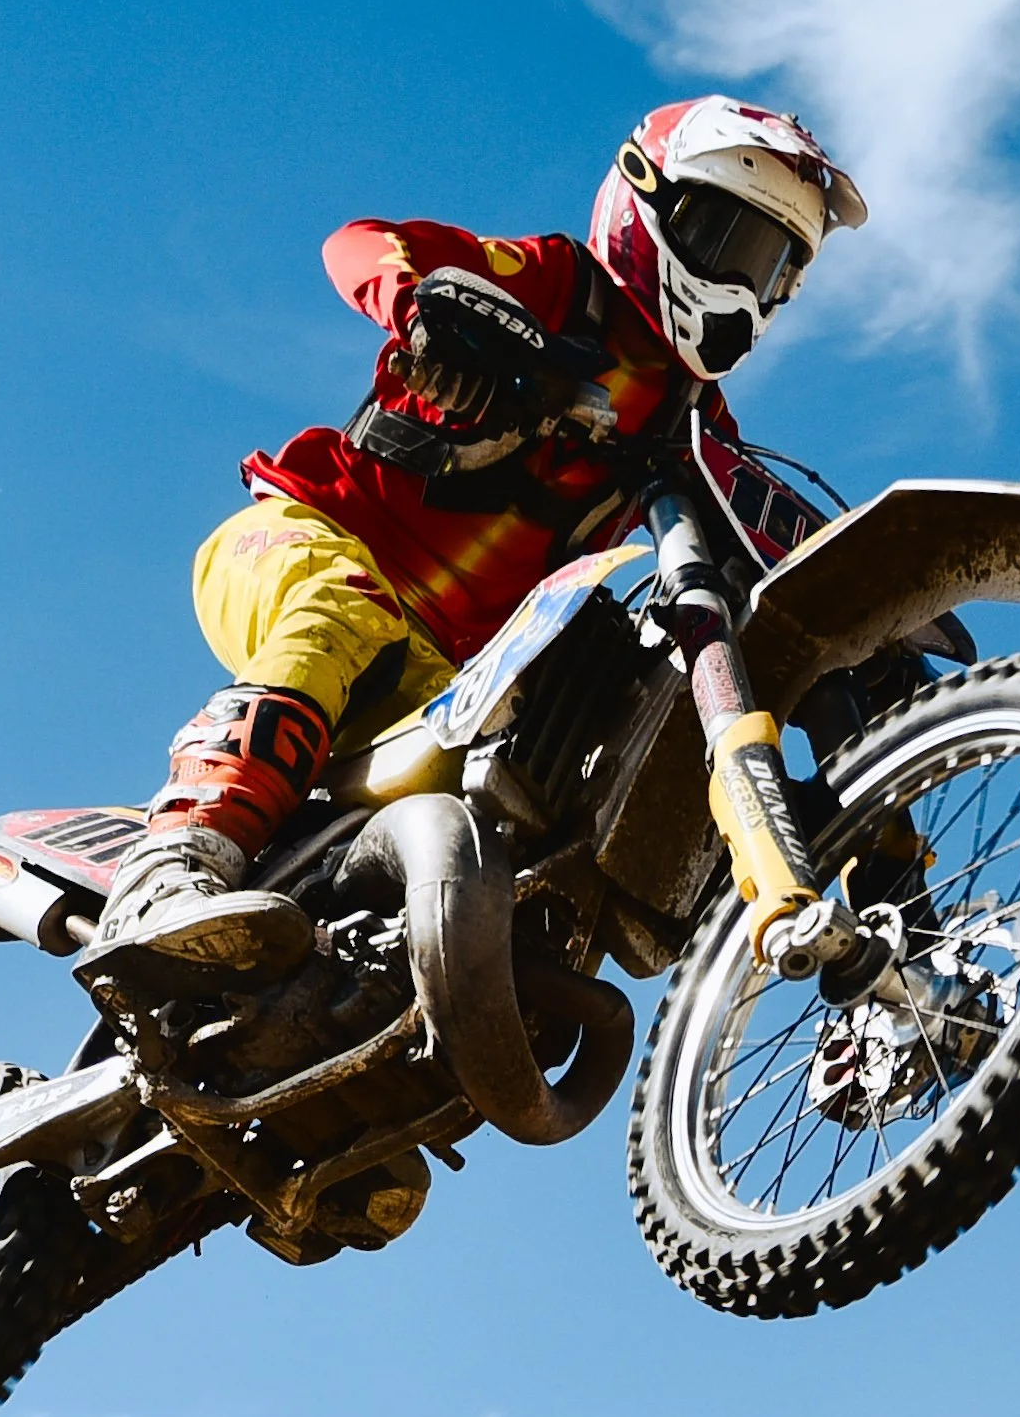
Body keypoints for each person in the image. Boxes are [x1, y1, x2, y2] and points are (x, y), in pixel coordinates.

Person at [85, 94, 866, 990]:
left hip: (446, 681)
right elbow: (361, 241)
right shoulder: (554, 283)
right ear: (646, 202)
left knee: (538, 796)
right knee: (342, 611)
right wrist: (423, 308)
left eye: (768, 267)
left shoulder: (695, 423)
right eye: (726, 243)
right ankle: (174, 864)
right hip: (306, 537)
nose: (739, 286)